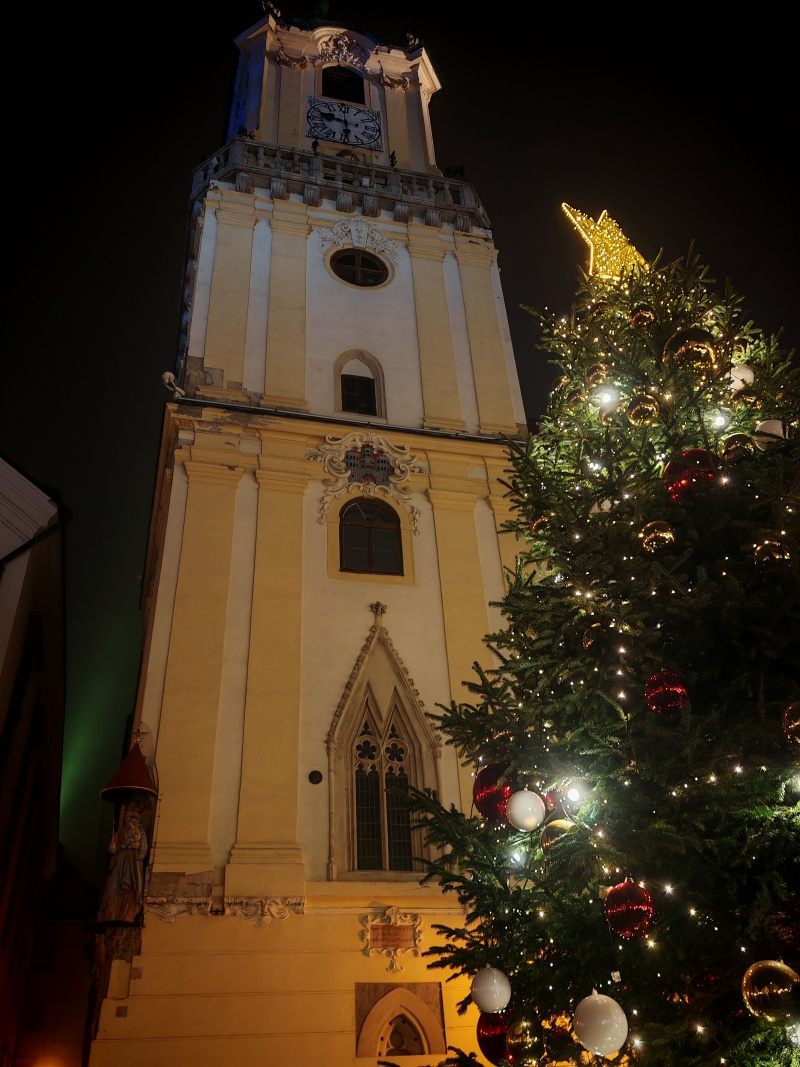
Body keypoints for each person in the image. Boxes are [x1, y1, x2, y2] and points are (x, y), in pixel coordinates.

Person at [98, 802, 148, 923]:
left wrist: (135, 846)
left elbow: (143, 849)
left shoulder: (140, 832)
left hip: (132, 862)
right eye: (130, 818)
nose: (132, 821)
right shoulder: (120, 831)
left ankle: (126, 915)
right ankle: (109, 914)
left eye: (135, 819)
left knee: (130, 889)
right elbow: (112, 848)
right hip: (119, 861)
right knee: (112, 887)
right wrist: (113, 846)